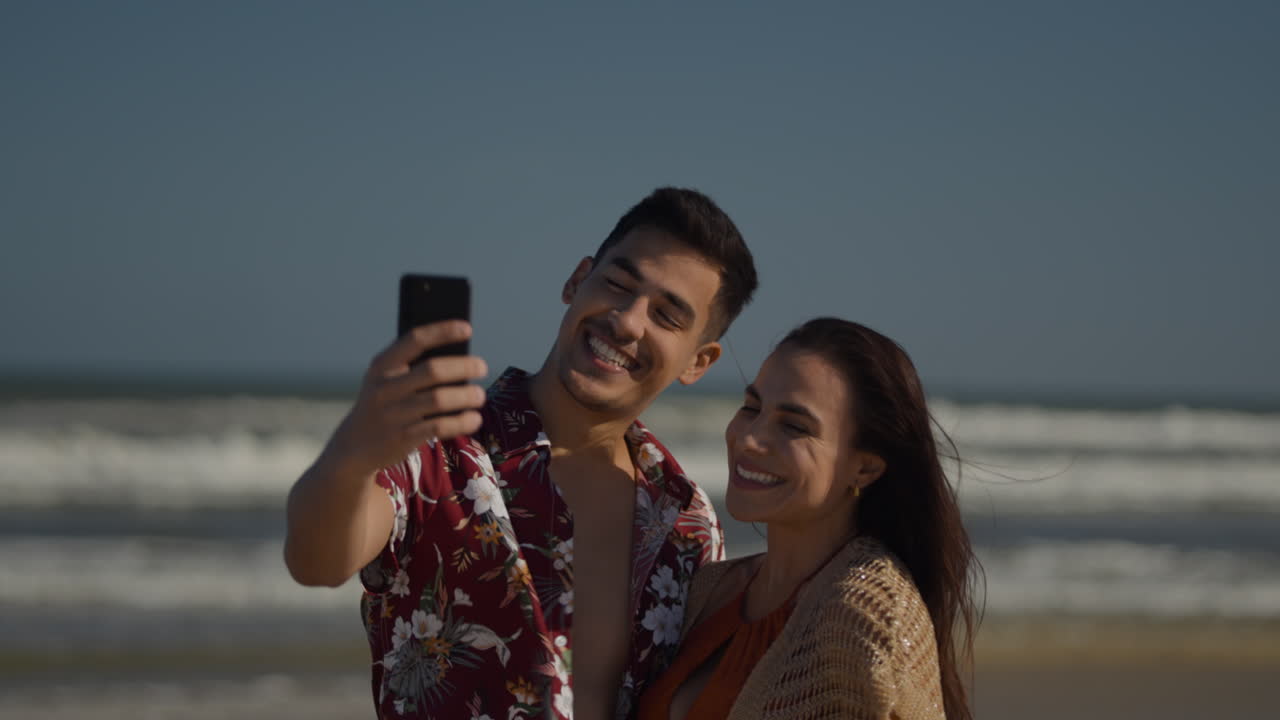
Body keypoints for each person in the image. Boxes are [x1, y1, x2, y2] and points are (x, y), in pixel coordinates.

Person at [284, 187, 758, 720]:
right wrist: (352, 452)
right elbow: (316, 560)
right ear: (577, 282)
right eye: (618, 284)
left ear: (699, 361)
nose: (628, 321)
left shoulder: (685, 521)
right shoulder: (437, 453)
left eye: (667, 316)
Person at [635, 318, 979, 720]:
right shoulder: (711, 589)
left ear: (864, 468)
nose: (748, 438)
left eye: (795, 426)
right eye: (751, 407)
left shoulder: (866, 614)